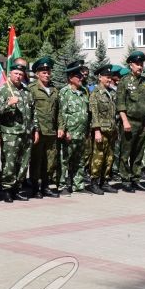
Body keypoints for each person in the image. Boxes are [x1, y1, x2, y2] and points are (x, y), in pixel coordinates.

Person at [0, 62, 35, 202]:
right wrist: (8, 104)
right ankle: (7, 189)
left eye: (20, 74)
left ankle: (17, 188)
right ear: (10, 74)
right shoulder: (3, 90)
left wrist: (34, 130)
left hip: (26, 133)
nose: (18, 76)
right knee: (9, 163)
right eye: (15, 74)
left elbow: (32, 112)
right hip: (10, 133)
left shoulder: (27, 91)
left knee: (23, 163)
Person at [115, 51, 145, 192]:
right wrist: (125, 121)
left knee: (138, 152)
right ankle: (125, 180)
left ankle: (135, 179)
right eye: (137, 64)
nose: (140, 66)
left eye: (141, 64)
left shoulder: (144, 82)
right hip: (129, 122)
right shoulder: (124, 81)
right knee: (126, 152)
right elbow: (120, 104)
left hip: (142, 123)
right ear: (131, 65)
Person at [27, 57, 60, 198]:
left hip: (51, 131)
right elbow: (30, 111)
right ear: (37, 74)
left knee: (50, 160)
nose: (47, 75)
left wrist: (61, 127)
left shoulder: (54, 89)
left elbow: (59, 111)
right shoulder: (32, 89)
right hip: (38, 131)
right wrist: (34, 130)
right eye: (43, 72)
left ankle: (46, 186)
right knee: (37, 160)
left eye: (48, 72)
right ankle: (35, 187)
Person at [57, 62, 90, 194]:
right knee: (64, 160)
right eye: (78, 76)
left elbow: (86, 112)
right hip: (69, 133)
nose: (82, 78)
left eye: (82, 76)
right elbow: (62, 113)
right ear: (71, 78)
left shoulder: (83, 92)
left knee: (79, 160)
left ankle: (78, 185)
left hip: (81, 133)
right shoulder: (64, 92)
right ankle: (62, 185)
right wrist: (65, 130)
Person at [87, 65, 119, 194]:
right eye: (107, 77)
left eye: (110, 77)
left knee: (109, 158)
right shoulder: (95, 93)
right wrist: (96, 131)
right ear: (100, 77)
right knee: (98, 157)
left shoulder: (112, 93)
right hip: (101, 131)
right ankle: (94, 182)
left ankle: (105, 181)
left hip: (111, 130)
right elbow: (93, 113)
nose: (109, 79)